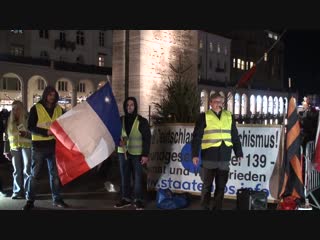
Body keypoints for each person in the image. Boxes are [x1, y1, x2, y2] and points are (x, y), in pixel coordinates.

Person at [191, 92, 243, 210]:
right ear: (210, 103)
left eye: (220, 102)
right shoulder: (204, 116)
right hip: (209, 156)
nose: (218, 104)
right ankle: (205, 207)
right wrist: (194, 154)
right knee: (207, 186)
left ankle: (217, 208)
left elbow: (234, 135)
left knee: (221, 187)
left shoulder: (229, 116)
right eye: (216, 102)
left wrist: (238, 152)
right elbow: (197, 137)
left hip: (224, 156)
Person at [22, 86, 68, 210]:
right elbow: (30, 127)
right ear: (45, 95)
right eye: (49, 95)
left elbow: (65, 123)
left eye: (54, 95)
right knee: (34, 175)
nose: (52, 97)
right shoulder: (36, 108)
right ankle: (30, 200)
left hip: (54, 146)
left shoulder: (59, 109)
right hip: (39, 147)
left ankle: (57, 199)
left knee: (55, 175)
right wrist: (45, 132)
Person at [114, 97, 151, 210]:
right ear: (125, 107)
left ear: (135, 106)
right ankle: (126, 198)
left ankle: (138, 200)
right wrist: (117, 141)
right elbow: (115, 135)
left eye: (132, 105)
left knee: (138, 178)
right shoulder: (120, 120)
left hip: (137, 154)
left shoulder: (142, 121)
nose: (129, 107)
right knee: (124, 177)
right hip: (123, 153)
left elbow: (147, 138)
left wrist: (145, 155)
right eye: (127, 105)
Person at [3, 100, 31, 199]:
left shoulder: (28, 118)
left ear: (22, 109)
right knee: (16, 170)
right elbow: (6, 136)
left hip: (27, 146)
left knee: (27, 170)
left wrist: (26, 134)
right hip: (14, 148)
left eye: (18, 109)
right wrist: (6, 150)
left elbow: (34, 134)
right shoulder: (10, 121)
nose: (15, 111)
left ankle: (28, 192)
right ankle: (17, 191)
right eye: (13, 109)